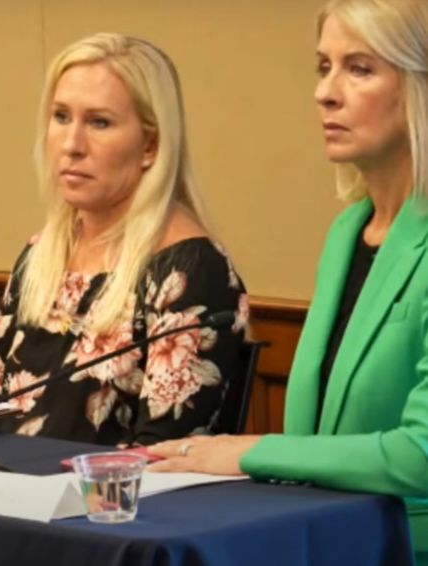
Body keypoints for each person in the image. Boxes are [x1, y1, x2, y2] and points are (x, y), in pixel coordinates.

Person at [148, 0, 428, 561]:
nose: (325, 92)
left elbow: (421, 453)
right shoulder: (348, 231)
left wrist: (253, 452)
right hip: (318, 539)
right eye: (323, 66)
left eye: (360, 68)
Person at [0, 33, 248, 446]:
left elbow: (164, 455)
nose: (71, 145)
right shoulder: (39, 256)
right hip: (3, 499)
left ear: (150, 145)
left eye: (99, 122)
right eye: (61, 117)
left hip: (109, 506)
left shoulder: (190, 270)